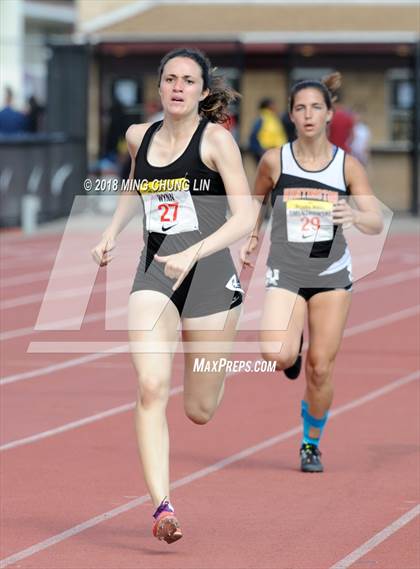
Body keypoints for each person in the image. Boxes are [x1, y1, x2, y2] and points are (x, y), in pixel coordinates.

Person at [91, 48, 254, 543]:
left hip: (208, 278)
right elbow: (133, 185)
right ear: (159, 87)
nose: (177, 86)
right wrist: (113, 233)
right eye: (169, 79)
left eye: (188, 80)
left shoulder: (217, 141)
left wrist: (195, 252)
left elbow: (246, 216)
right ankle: (162, 506)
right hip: (155, 275)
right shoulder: (139, 136)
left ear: (203, 92)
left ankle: (218, 365)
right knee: (150, 387)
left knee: (199, 410)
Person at [240, 73, 382, 474]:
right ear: (290, 115)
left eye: (316, 107)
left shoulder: (346, 166)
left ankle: (310, 443)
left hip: (331, 274)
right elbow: (255, 203)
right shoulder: (274, 160)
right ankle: (291, 351)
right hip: (286, 270)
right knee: (276, 352)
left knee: (321, 367)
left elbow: (374, 221)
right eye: (300, 108)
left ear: (328, 114)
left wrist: (355, 214)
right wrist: (251, 238)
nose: (308, 115)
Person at [248, 98, 287, 164]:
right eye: (273, 105)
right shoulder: (262, 119)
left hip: (276, 151)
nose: (275, 107)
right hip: (267, 151)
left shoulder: (274, 118)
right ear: (268, 106)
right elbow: (253, 136)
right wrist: (259, 151)